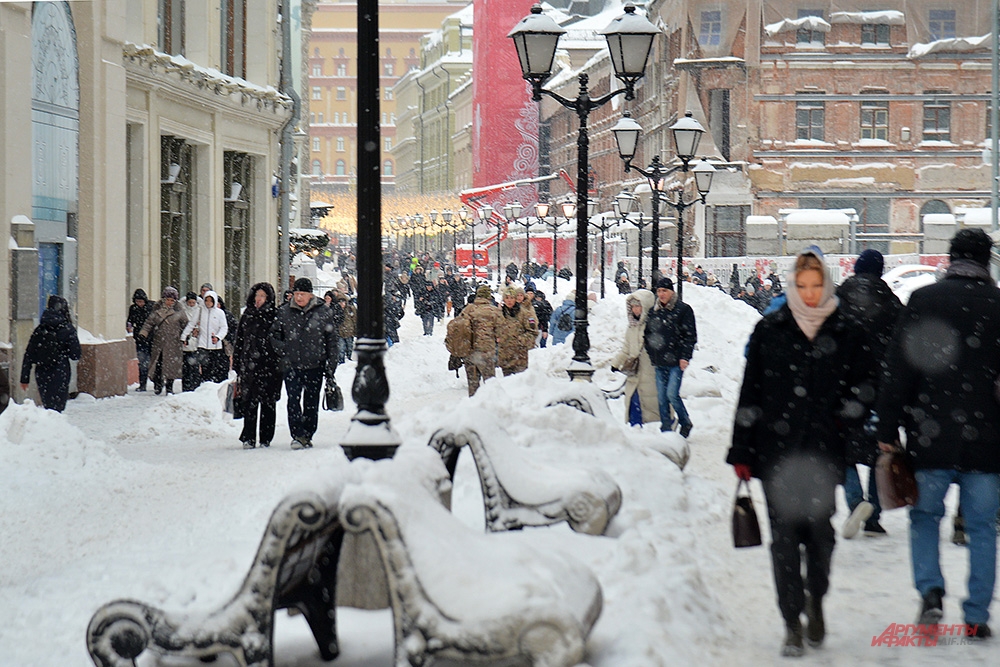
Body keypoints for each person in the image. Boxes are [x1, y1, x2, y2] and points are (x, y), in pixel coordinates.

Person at [727, 247, 875, 657]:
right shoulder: (770, 330)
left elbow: (866, 384)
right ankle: (792, 620)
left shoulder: (847, 330)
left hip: (825, 453)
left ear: (826, 285)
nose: (810, 294)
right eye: (802, 286)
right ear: (793, 286)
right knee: (785, 540)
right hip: (778, 452)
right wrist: (742, 448)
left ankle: (816, 598)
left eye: (816, 286)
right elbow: (750, 391)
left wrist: (848, 417)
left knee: (821, 537)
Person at [875, 228, 1000, 638]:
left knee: (925, 516)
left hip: (931, 434)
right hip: (986, 438)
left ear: (951, 258)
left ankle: (930, 593)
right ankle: (977, 614)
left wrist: (889, 425)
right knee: (982, 527)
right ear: (986, 261)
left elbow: (899, 369)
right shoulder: (998, 305)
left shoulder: (924, 301)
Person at [835, 248, 902, 538]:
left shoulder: (836, 298)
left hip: (843, 387)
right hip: (881, 389)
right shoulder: (892, 304)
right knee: (880, 452)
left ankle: (855, 502)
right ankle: (873, 515)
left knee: (843, 451)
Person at [270, 277, 339, 450]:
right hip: (291, 365)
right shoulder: (284, 312)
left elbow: (332, 340)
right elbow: (274, 335)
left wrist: (331, 366)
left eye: (302, 294)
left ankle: (307, 434)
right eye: (296, 294)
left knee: (311, 402)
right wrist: (284, 350)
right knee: (293, 400)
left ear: (310, 295)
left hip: (315, 365)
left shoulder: (323, 312)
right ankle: (297, 434)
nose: (298, 297)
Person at [644, 277, 697, 438]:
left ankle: (685, 421)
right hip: (659, 360)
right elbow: (648, 334)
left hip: (676, 361)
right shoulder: (654, 311)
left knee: (671, 394)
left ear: (671, 291)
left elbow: (690, 336)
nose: (661, 294)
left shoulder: (683, 310)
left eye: (664, 290)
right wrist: (651, 351)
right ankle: (666, 426)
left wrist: (685, 357)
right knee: (661, 396)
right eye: (659, 291)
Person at [233, 283, 281, 449]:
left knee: (268, 403)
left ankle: (266, 437)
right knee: (250, 402)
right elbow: (239, 340)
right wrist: (238, 362)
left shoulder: (274, 315)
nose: (258, 299)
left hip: (269, 366)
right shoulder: (248, 315)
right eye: (257, 296)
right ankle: (249, 437)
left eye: (262, 296)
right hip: (250, 366)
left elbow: (280, 341)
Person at [19, 295, 81, 412]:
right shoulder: (68, 328)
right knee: (58, 408)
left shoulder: (40, 329)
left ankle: (50, 424)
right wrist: (64, 349)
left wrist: (24, 378)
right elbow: (75, 355)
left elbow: (29, 354)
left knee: (48, 406)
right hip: (60, 371)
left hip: (42, 373)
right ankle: (56, 427)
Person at [610, 290, 660, 426]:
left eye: (638, 306)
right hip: (635, 373)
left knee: (651, 406)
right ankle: (637, 430)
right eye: (632, 306)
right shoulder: (631, 328)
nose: (635, 309)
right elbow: (626, 349)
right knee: (634, 404)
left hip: (650, 372)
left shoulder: (654, 325)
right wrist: (616, 363)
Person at [139, 287, 188, 395]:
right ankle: (158, 383)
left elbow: (186, 325)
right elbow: (149, 323)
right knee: (158, 364)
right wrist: (143, 333)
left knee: (171, 366)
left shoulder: (179, 312)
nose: (170, 302)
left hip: (173, 343)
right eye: (168, 299)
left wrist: (185, 336)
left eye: (172, 300)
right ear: (163, 299)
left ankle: (169, 387)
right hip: (158, 342)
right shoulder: (156, 310)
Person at [461, 285, 503, 396]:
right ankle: (489, 407)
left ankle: (474, 407)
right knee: (490, 383)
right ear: (489, 297)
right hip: (487, 352)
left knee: (473, 385)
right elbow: (500, 333)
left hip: (469, 351)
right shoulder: (494, 311)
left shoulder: (468, 309)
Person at [181, 290, 229, 384]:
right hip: (202, 345)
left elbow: (224, 327)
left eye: (211, 301)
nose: (208, 303)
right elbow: (191, 324)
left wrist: (218, 337)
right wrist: (184, 336)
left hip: (215, 346)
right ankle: (205, 385)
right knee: (204, 367)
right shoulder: (200, 311)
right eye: (206, 300)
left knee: (215, 367)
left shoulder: (219, 313)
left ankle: (213, 386)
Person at [497, 286, 538, 376]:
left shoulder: (525, 313)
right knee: (507, 384)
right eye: (506, 298)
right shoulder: (499, 314)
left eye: (512, 298)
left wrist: (520, 340)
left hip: (520, 357)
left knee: (519, 385)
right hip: (505, 356)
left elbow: (533, 332)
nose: (509, 301)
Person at [127, 289, 154, 391]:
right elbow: (130, 320)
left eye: (141, 301)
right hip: (140, 339)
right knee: (142, 361)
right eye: (138, 302)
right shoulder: (133, 309)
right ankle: (142, 384)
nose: (140, 304)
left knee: (153, 361)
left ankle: (156, 381)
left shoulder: (150, 307)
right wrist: (129, 325)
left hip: (151, 338)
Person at [181, 292, 202, 392]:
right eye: (190, 302)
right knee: (186, 366)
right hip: (186, 341)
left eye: (193, 302)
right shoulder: (182, 310)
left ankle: (195, 385)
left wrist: (197, 328)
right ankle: (186, 386)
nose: (191, 304)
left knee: (195, 366)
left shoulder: (200, 310)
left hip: (196, 342)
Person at [524, 282, 551, 348]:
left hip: (537, 328)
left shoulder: (538, 305)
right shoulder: (522, 304)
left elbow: (543, 318)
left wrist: (545, 330)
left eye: (531, 294)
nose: (529, 295)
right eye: (528, 294)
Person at [337, 293, 357, 363]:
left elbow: (355, 320)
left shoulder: (350, 309)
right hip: (340, 333)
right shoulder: (336, 310)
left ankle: (349, 359)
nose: (341, 303)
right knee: (341, 349)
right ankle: (341, 361)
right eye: (340, 302)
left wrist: (355, 331)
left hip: (349, 332)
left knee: (349, 348)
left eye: (343, 301)